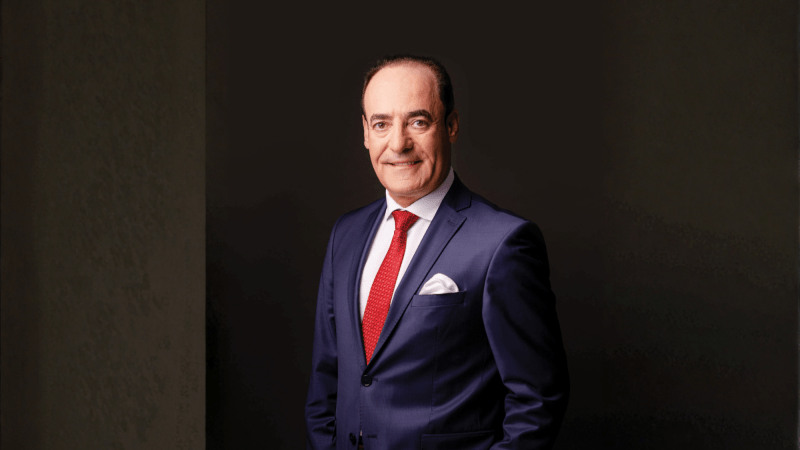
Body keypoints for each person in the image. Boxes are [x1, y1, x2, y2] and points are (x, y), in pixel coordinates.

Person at [305, 54, 569, 450]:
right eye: (381, 124)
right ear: (365, 132)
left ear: (451, 125)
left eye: (418, 121)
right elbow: (326, 379)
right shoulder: (346, 233)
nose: (398, 144)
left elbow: (538, 400)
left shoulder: (503, 242)